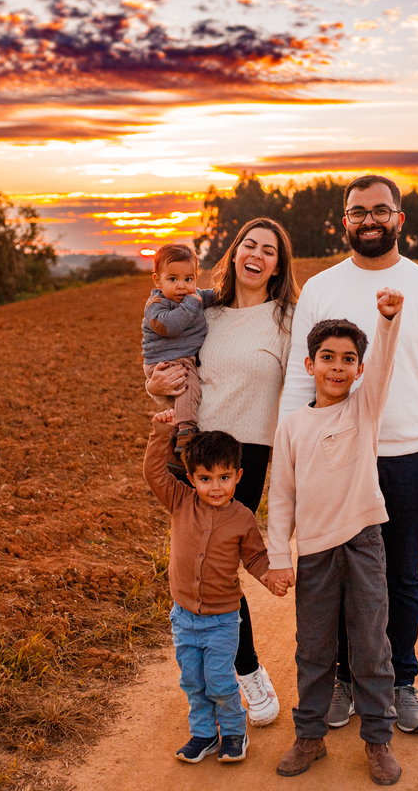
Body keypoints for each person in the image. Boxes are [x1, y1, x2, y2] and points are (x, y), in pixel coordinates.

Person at [278, 175, 418, 735]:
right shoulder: (320, 287)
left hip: (406, 457)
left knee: (401, 576)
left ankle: (399, 683)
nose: (369, 219)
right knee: (335, 575)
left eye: (380, 210)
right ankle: (342, 682)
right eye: (358, 211)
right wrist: (291, 448)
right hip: (331, 456)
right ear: (345, 220)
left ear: (399, 220)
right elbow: (300, 371)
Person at [145, 218, 301, 727]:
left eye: (269, 251)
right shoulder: (204, 310)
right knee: (202, 565)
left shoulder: (289, 318)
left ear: (279, 265)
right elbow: (171, 363)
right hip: (195, 450)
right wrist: (155, 388)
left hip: (248, 455)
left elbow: (311, 384)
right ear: (234, 254)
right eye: (248, 245)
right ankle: (240, 672)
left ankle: (247, 673)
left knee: (223, 564)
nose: (257, 255)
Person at [267, 288, 405, 786]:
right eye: (328, 358)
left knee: (370, 643)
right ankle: (310, 736)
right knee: (315, 646)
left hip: (364, 542)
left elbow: (385, 363)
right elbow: (281, 497)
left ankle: (378, 740)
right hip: (317, 552)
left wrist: (386, 321)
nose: (338, 367)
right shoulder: (292, 427)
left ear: (360, 370)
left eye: (349, 360)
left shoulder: (364, 410)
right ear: (310, 364)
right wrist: (279, 557)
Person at [143, 412, 276, 763]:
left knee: (218, 680)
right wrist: (160, 434)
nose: (215, 487)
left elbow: (256, 558)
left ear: (238, 476)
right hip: (184, 617)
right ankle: (203, 734)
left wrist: (270, 578)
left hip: (222, 620)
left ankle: (233, 732)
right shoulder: (181, 501)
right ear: (191, 478)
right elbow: (154, 474)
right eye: (205, 478)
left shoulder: (243, 518)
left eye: (224, 477)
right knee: (193, 681)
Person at [141, 243, 217, 461]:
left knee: (184, 395)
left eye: (188, 279)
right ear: (158, 280)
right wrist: (192, 304)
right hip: (164, 360)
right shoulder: (156, 305)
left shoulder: (194, 296)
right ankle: (186, 430)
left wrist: (229, 293)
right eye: (172, 279)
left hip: (180, 357)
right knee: (187, 384)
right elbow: (170, 326)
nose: (182, 286)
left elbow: (214, 296)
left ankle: (176, 444)